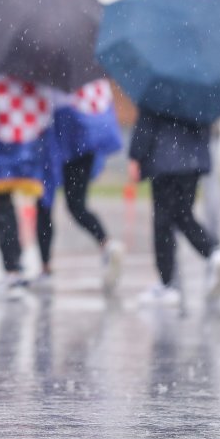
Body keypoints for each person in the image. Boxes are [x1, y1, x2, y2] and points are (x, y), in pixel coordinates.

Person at [128, 108, 220, 306]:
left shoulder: (158, 84)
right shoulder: (197, 87)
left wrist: (136, 155)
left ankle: (167, 283)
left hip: (165, 158)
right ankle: (214, 252)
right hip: (192, 160)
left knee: (163, 222)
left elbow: (147, 120)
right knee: (183, 215)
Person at [0, 69, 59, 300]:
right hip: (37, 131)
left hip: (2, 131)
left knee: (3, 203)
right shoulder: (45, 51)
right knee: (41, 202)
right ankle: (41, 267)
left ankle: (14, 270)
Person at [34, 78, 125, 293]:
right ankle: (107, 242)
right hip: (88, 135)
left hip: (57, 133)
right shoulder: (88, 66)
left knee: (44, 203)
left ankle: (45, 268)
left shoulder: (46, 68)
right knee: (77, 205)